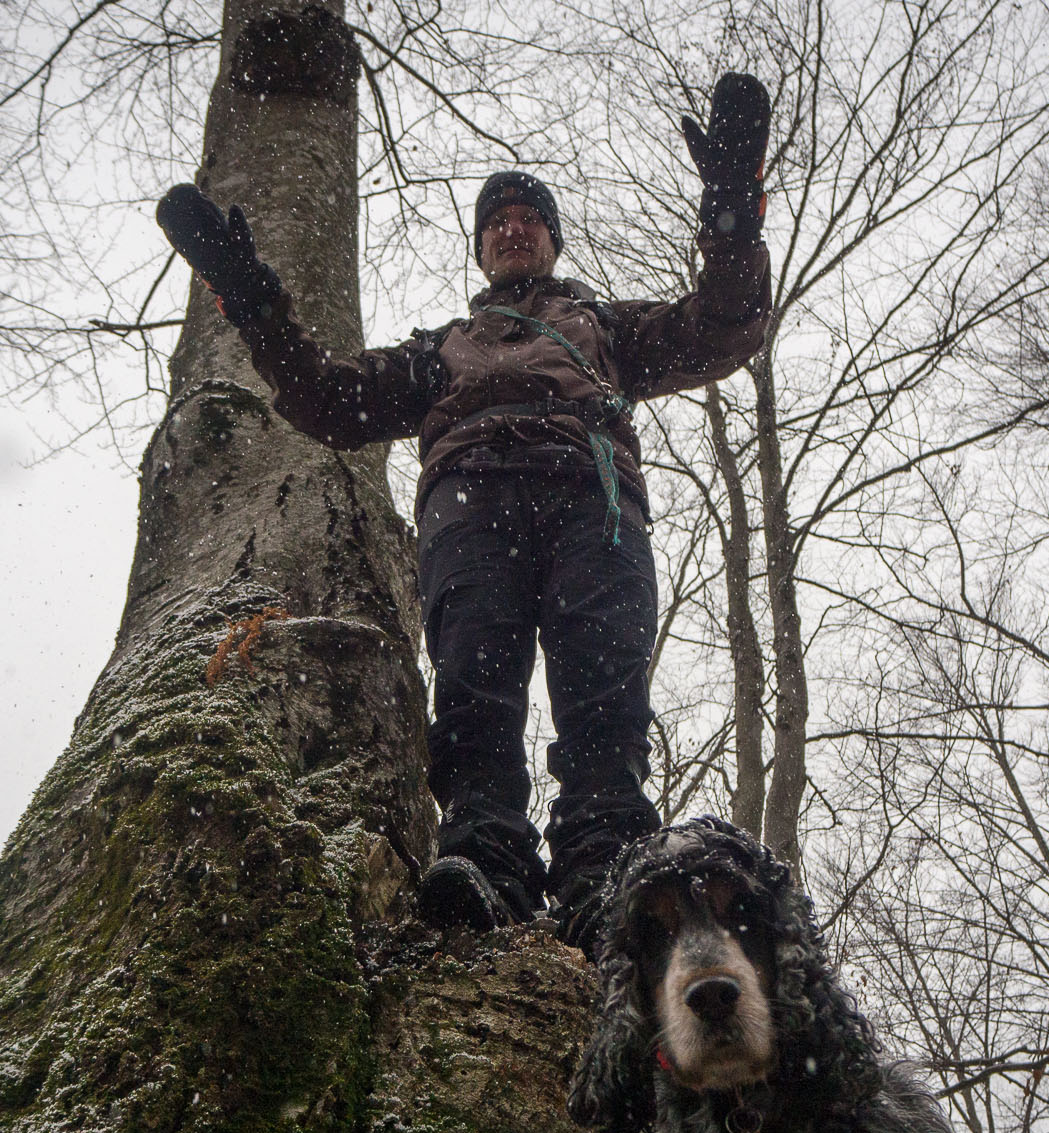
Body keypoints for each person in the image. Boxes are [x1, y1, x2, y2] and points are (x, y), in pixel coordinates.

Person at [156, 73, 771, 953]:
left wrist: (731, 217)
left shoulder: (605, 328)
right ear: (483, 251)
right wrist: (253, 301)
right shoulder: (441, 349)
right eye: (496, 220)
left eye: (528, 216)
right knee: (474, 691)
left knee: (604, 695)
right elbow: (328, 398)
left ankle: (606, 875)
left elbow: (723, 328)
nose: (512, 226)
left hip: (590, 499)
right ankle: (485, 863)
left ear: (551, 240)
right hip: (469, 501)